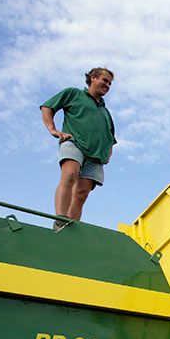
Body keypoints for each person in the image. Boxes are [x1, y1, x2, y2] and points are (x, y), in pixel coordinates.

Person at [40, 68, 116, 227]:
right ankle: (60, 220)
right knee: (69, 175)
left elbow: (110, 136)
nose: (107, 85)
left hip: (96, 156)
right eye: (105, 80)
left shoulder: (105, 112)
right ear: (93, 78)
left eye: (110, 83)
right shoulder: (74, 94)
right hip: (74, 142)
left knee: (81, 193)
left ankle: (71, 228)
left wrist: (108, 153)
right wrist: (52, 129)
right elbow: (47, 107)